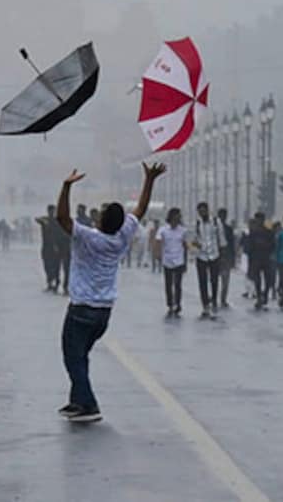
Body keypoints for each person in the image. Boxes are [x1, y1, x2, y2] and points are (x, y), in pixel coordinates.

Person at [55, 162, 164, 423]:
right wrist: (149, 180)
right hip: (103, 312)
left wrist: (66, 186)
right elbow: (141, 209)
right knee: (81, 356)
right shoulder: (121, 237)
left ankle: (89, 404)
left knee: (72, 357)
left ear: (102, 220)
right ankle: (76, 400)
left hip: (81, 309)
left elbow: (62, 219)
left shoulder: (89, 237)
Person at [192, 202, 225, 319]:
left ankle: (214, 300)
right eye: (200, 211)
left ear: (208, 210)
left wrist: (222, 255)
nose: (202, 213)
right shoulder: (196, 224)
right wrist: (196, 246)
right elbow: (193, 240)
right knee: (202, 281)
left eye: (204, 210)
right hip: (201, 256)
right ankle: (205, 304)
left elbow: (221, 239)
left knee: (214, 280)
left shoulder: (216, 222)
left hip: (214, 255)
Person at [157, 208, 188, 317]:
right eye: (176, 216)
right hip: (167, 260)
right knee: (168, 284)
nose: (178, 218)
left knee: (178, 285)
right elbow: (159, 243)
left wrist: (185, 262)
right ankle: (170, 304)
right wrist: (159, 256)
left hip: (179, 260)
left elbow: (185, 247)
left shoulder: (183, 231)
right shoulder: (163, 230)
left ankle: (178, 304)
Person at [242, 213, 276, 310]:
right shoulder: (252, 233)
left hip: (266, 258)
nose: (259, 221)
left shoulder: (269, 232)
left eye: (260, 219)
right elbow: (249, 247)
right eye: (257, 219)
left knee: (268, 279)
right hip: (255, 259)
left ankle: (265, 293)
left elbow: (273, 245)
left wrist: (265, 246)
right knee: (257, 280)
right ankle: (259, 297)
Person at [36, 205, 64, 292]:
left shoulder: (57, 221)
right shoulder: (45, 221)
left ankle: (56, 282)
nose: (51, 213)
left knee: (56, 266)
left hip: (55, 247)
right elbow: (37, 219)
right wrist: (45, 220)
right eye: (49, 211)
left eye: (52, 211)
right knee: (47, 266)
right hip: (46, 247)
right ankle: (50, 282)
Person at [217, 208, 237, 309]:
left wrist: (233, 258)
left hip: (226, 258)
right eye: (221, 215)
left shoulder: (229, 229)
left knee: (225, 280)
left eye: (224, 215)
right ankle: (215, 298)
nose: (223, 217)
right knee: (214, 279)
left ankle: (223, 299)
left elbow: (232, 244)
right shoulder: (214, 228)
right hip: (215, 258)